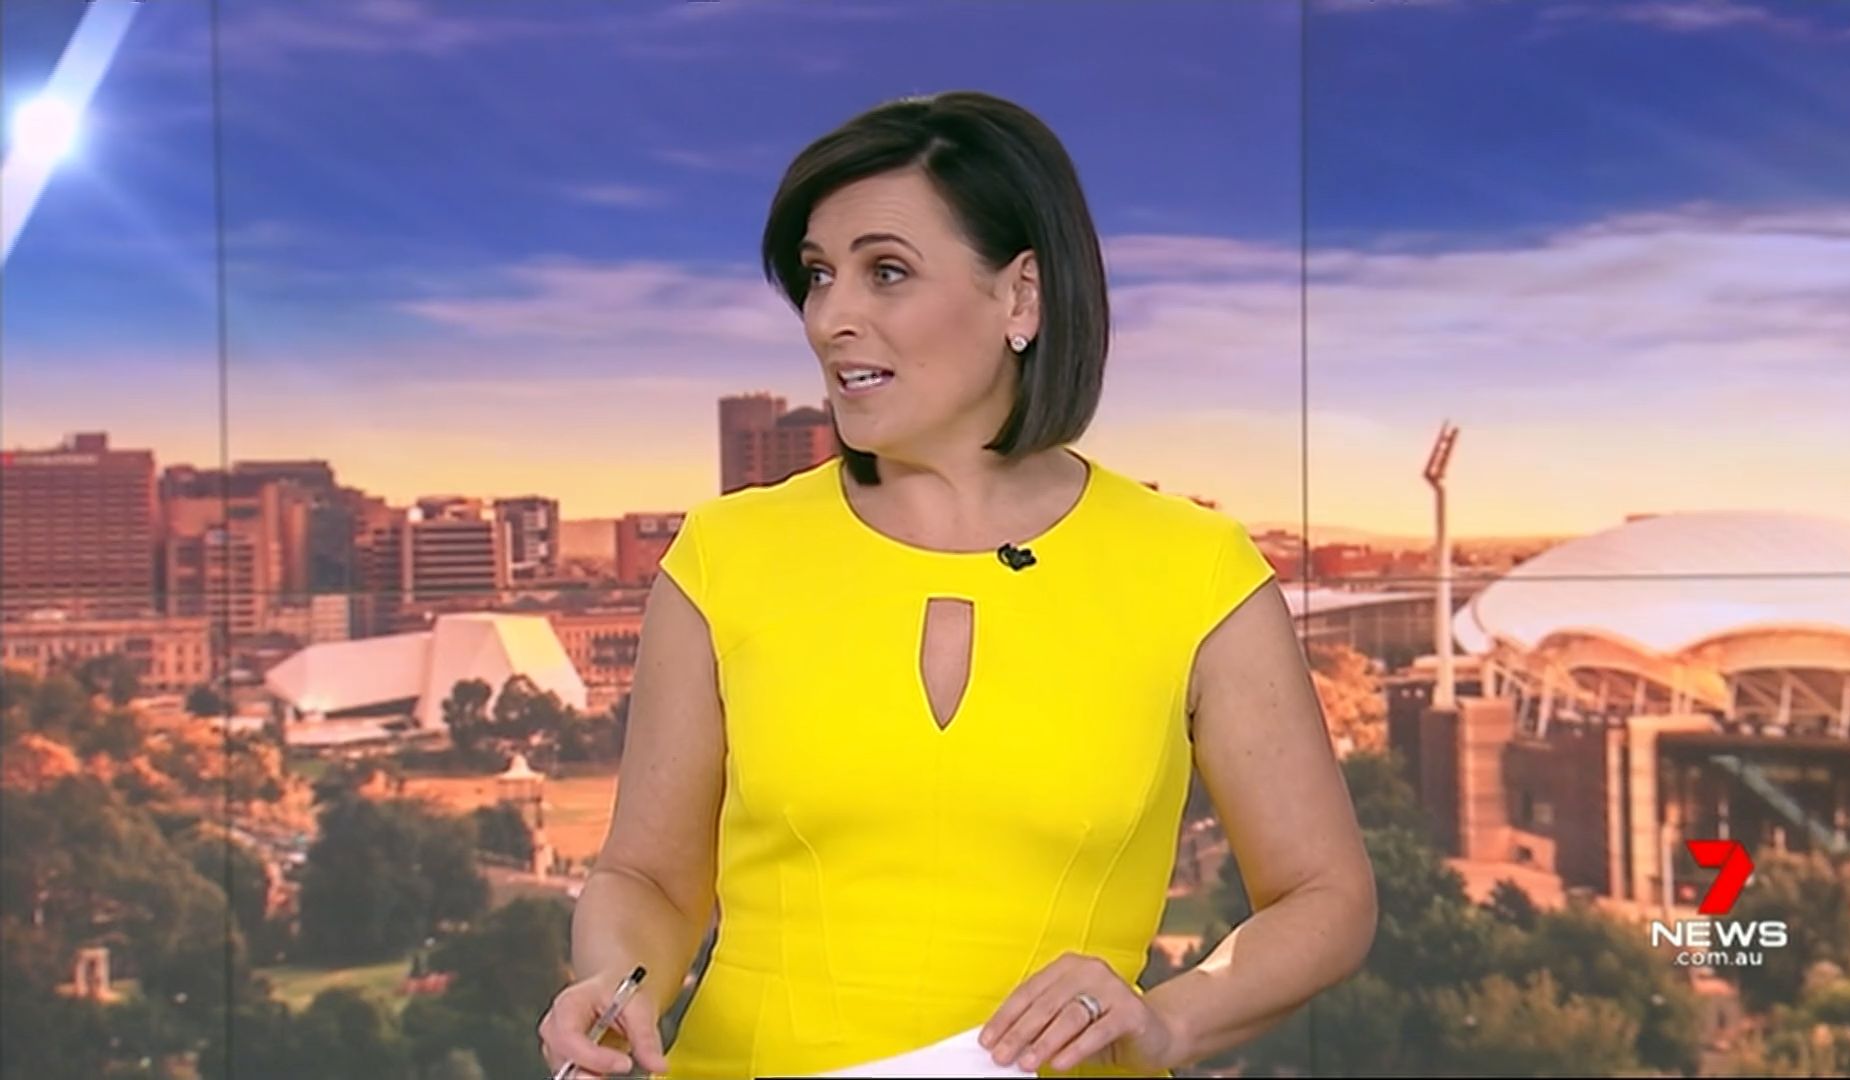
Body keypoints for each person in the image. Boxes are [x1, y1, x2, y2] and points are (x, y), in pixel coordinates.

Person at [537, 89, 1377, 1079]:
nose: (830, 317)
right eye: (818, 275)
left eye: (886, 272)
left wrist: (1173, 1020)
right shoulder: (724, 556)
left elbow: (1325, 897)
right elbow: (648, 878)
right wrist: (615, 985)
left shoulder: (1195, 571)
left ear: (1021, 297)